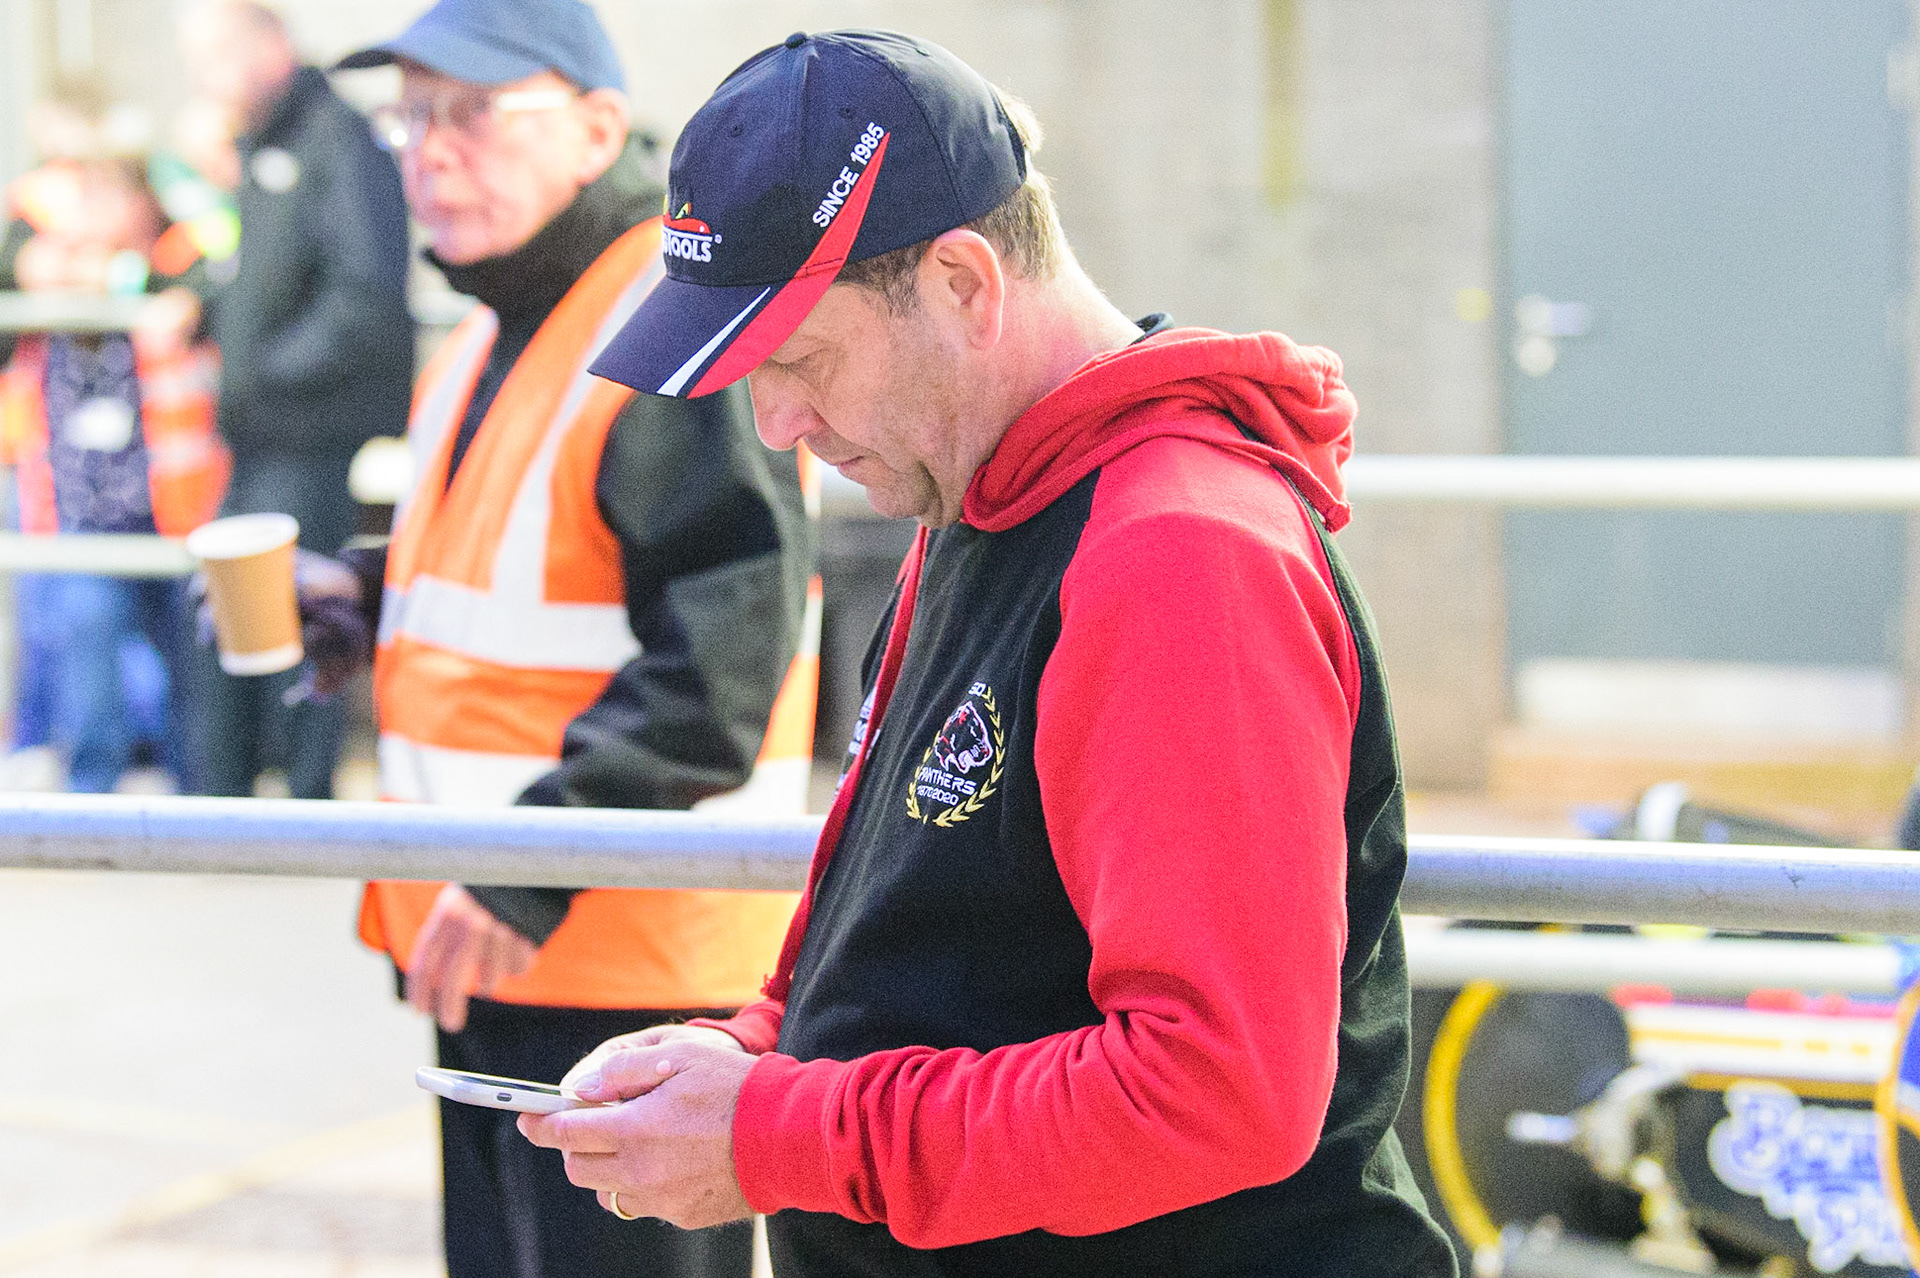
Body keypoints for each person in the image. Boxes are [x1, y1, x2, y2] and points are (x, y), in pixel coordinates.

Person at [521, 29, 1460, 1278]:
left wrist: (780, 1134)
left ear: (966, 284)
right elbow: (934, 932)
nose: (779, 424)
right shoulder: (984, 495)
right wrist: (751, 1056)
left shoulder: (1174, 551)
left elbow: (1213, 1088)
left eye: (799, 358)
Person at [323, 2, 818, 1276]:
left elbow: (725, 657)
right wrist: (365, 604)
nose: (428, 152)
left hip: (615, 962)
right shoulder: (509, 318)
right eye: (410, 120)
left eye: (472, 114)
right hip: (505, 943)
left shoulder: (662, 329)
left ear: (599, 129)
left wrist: (523, 872)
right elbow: (522, 571)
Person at [175, 0, 412, 799]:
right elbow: (259, 275)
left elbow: (365, 290)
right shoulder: (264, 144)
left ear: (267, 43)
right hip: (256, 429)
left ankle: (306, 793)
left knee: (306, 610)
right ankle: (228, 788)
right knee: (234, 613)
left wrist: (267, 370)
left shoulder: (336, 139)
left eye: (214, 55)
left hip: (311, 427)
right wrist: (201, 309)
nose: (204, 78)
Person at [0, 155, 229, 792]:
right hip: (80, 511)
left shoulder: (177, 259)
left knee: (191, 676)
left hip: (172, 512)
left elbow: (213, 281)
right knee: (89, 674)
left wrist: (120, 274)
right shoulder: (41, 264)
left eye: (106, 197)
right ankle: (90, 808)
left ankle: (200, 808)